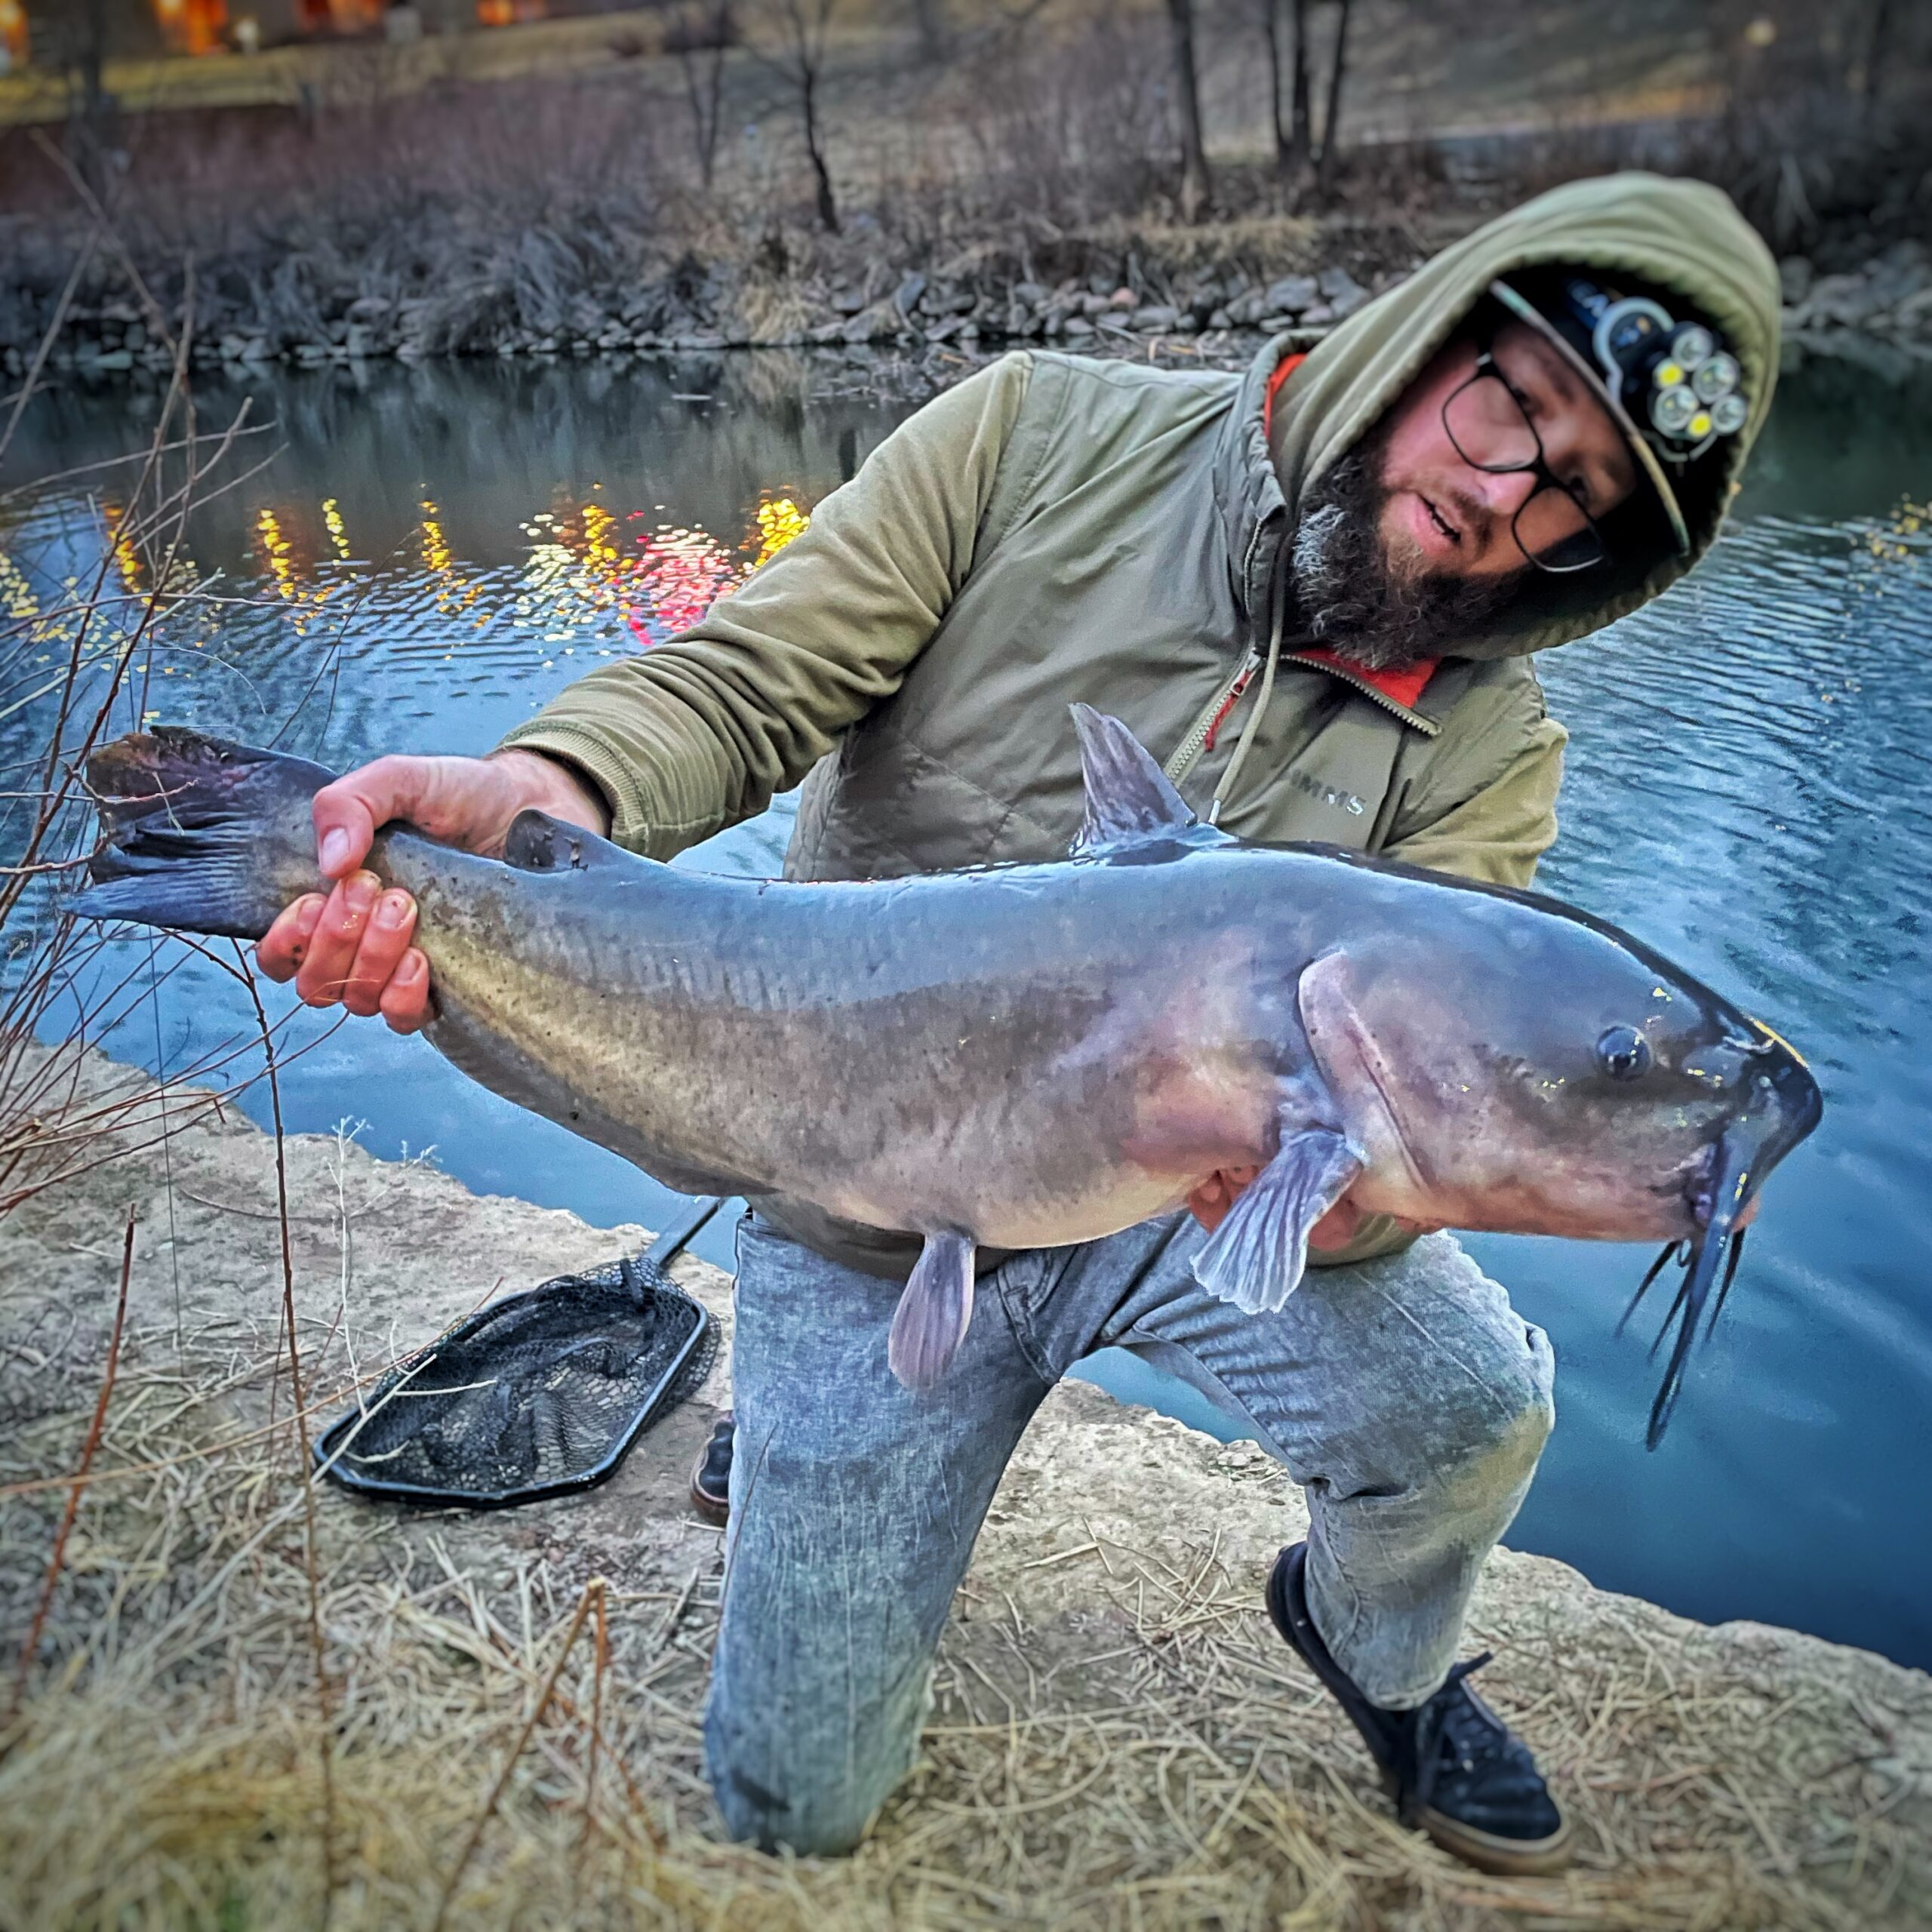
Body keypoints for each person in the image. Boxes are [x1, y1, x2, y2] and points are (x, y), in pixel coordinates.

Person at [255, 174, 1780, 1877]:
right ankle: (796, 1401)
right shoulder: (1033, 433)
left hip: (1182, 1209)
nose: (1493, 499)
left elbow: (1385, 1166)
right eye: (1503, 404)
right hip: (872, 1188)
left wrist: (1351, 1200)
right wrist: (547, 788)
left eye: (1570, 495)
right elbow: (744, 679)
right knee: (793, 1803)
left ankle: (1381, 1654)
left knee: (1472, 1407)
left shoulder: (1496, 756)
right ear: (1420, 339)